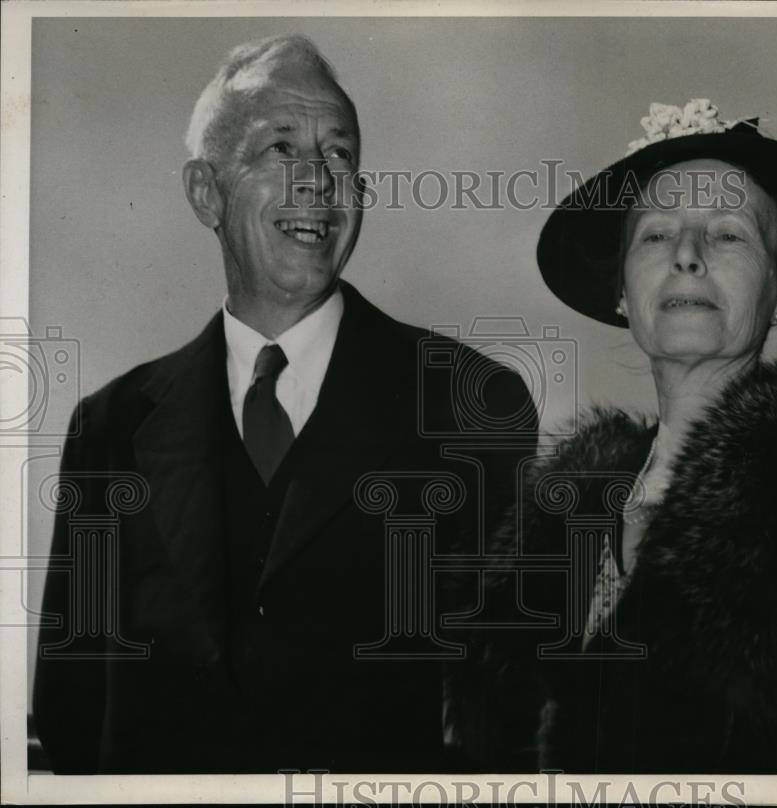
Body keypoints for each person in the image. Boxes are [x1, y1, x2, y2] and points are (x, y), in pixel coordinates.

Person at [33, 34, 536, 774]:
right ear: (206, 191)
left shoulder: (471, 404)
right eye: (280, 149)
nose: (318, 182)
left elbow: (504, 710)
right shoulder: (110, 428)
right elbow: (73, 710)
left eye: (339, 154)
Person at [454, 99, 777, 774]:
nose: (687, 257)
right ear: (622, 293)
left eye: (728, 234)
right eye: (655, 236)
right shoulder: (546, 523)